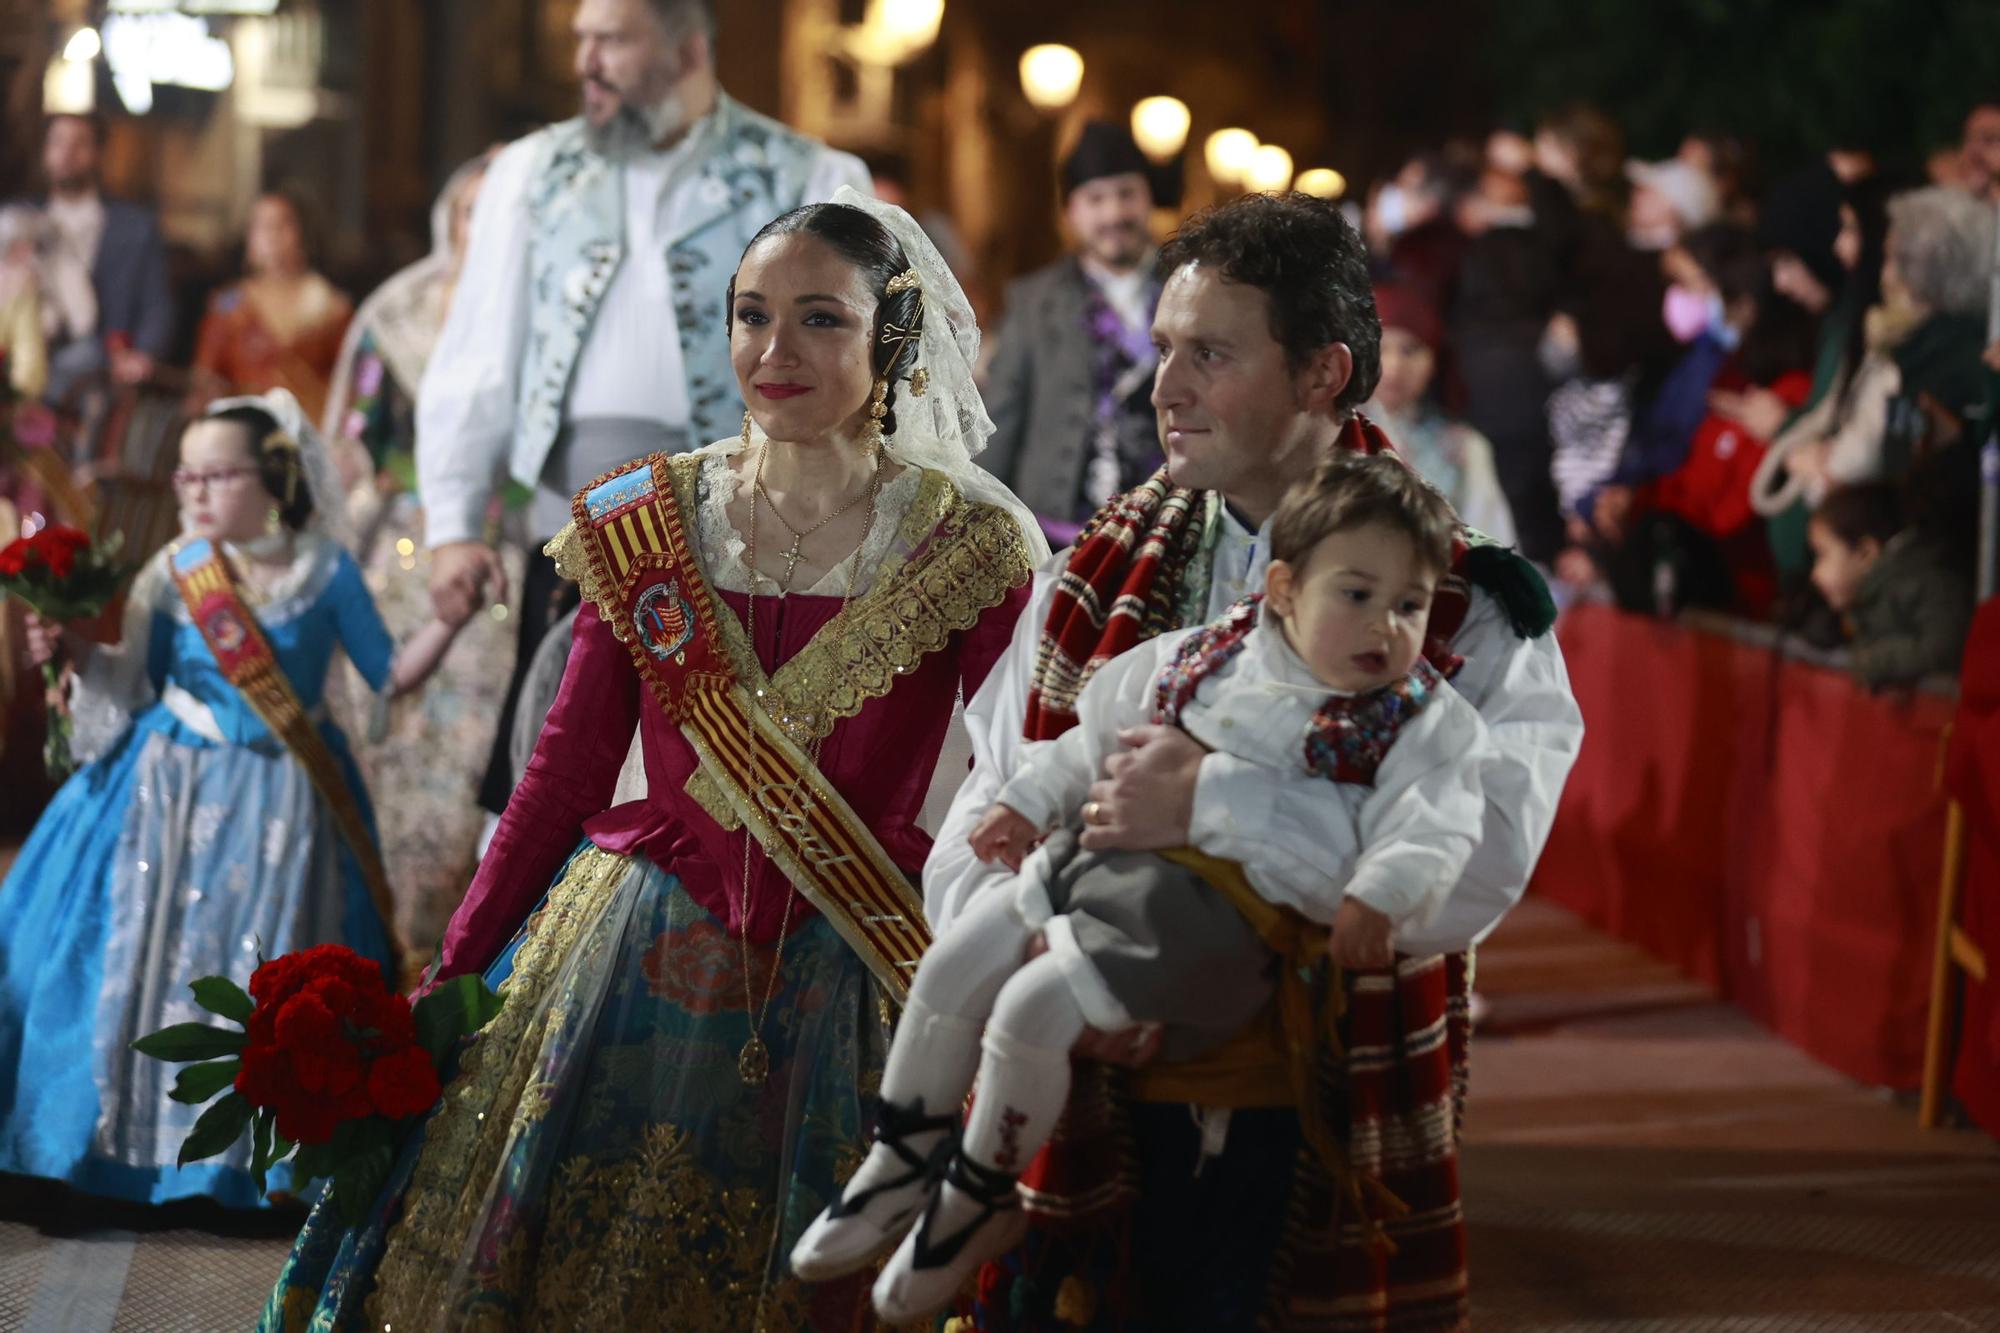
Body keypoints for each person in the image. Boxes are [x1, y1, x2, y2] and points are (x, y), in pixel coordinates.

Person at [260, 191, 1046, 1331]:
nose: (773, 352)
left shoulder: (968, 539)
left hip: (854, 955)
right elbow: (566, 774)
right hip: (633, 951)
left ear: (894, 337)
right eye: (749, 315)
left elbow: (1024, 774)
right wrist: (456, 969)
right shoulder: (650, 517)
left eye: (820, 319)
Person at [927, 191, 1583, 1331]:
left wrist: (1213, 803)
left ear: (1323, 374)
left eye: (1209, 355)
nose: (1161, 390)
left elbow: (1469, 857)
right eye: (1162, 350)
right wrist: (1063, 956)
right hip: (1093, 1082)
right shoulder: (1096, 567)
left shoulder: (1465, 599)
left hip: (1310, 1091)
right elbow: (984, 801)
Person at [793, 454, 1492, 1322]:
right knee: (956, 964)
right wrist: (1025, 800)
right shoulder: (1209, 655)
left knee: (1028, 1013)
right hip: (1097, 870)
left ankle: (977, 1191)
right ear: (1282, 589)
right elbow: (1093, 741)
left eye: (1411, 604)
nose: (1384, 626)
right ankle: (901, 1153)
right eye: (1355, 594)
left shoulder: (1417, 718)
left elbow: (1440, 820)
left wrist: (1379, 894)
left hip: (1212, 925)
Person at [0, 390, 468, 1209]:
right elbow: (126, 677)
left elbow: (387, 675)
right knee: (132, 961)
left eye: (217, 474)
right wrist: (70, 643)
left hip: (288, 803)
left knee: (262, 966)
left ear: (275, 478)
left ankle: (246, 1170)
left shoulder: (326, 570)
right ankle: (109, 1151)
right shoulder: (175, 568)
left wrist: (450, 623)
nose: (194, 490)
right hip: (162, 795)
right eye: (187, 474)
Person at [417, 0, 870, 817]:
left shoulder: (805, 173)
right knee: (549, 779)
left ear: (687, 48)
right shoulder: (529, 172)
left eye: (613, 40)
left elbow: (858, 365)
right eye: (581, 40)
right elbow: (479, 352)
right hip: (568, 525)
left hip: (743, 527)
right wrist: (452, 520)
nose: (587, 60)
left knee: (708, 789)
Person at [320, 154, 521, 955]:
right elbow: (356, 437)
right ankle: (370, 943)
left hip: (500, 565)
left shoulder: (546, 320)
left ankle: (450, 955)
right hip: (399, 560)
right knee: (380, 737)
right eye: (474, 210)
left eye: (503, 211)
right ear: (451, 219)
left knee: (471, 757)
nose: (485, 226)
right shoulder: (399, 311)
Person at [978, 121, 1164, 546]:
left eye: (1126, 194)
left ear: (1148, 198)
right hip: (1056, 537)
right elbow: (1001, 423)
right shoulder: (1032, 302)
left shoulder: (1189, 288)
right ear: (1070, 213)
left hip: (1165, 533)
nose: (1114, 214)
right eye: (1096, 199)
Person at [18, 113, 175, 401]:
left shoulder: (134, 227)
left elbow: (157, 305)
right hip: (26, 363)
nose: (67, 153)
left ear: (98, 154)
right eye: (58, 142)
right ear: (44, 151)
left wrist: (143, 354)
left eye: (80, 144)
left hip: (103, 371)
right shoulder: (18, 222)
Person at [1367, 280, 1518, 545]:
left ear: (1435, 358)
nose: (1394, 367)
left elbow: (1493, 547)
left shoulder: (1464, 448)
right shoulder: (1326, 434)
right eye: (1380, 349)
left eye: (1410, 350)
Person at [191, 190, 355, 425]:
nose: (271, 235)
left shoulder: (332, 307)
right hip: (247, 437)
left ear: (303, 233)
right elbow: (205, 379)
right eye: (261, 226)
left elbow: (353, 384)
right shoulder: (230, 306)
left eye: (281, 224)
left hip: (312, 437)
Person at [1808, 482, 1974, 688]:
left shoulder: (1925, 580)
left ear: (1865, 553)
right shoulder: (1868, 594)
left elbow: (1946, 647)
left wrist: (1872, 663)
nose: (1814, 574)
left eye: (1822, 555)